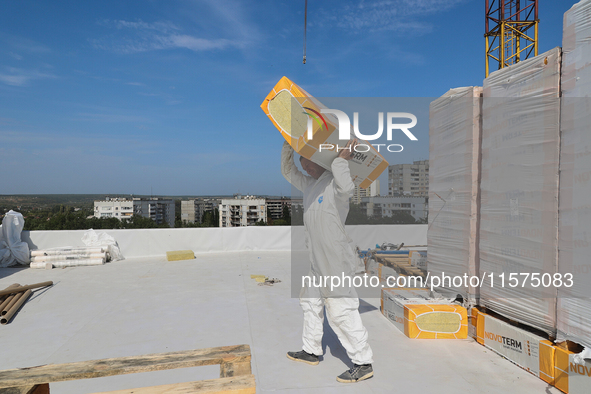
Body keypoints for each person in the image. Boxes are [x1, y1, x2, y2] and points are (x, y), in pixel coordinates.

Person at [281, 139, 374, 383]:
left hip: (334, 262)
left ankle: (363, 362)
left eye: (309, 164)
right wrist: (288, 144)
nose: (306, 169)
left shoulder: (334, 184)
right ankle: (311, 351)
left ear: (321, 162)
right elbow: (288, 171)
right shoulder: (310, 185)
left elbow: (347, 189)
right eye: (304, 165)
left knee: (341, 310)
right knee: (310, 303)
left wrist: (342, 160)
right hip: (316, 262)